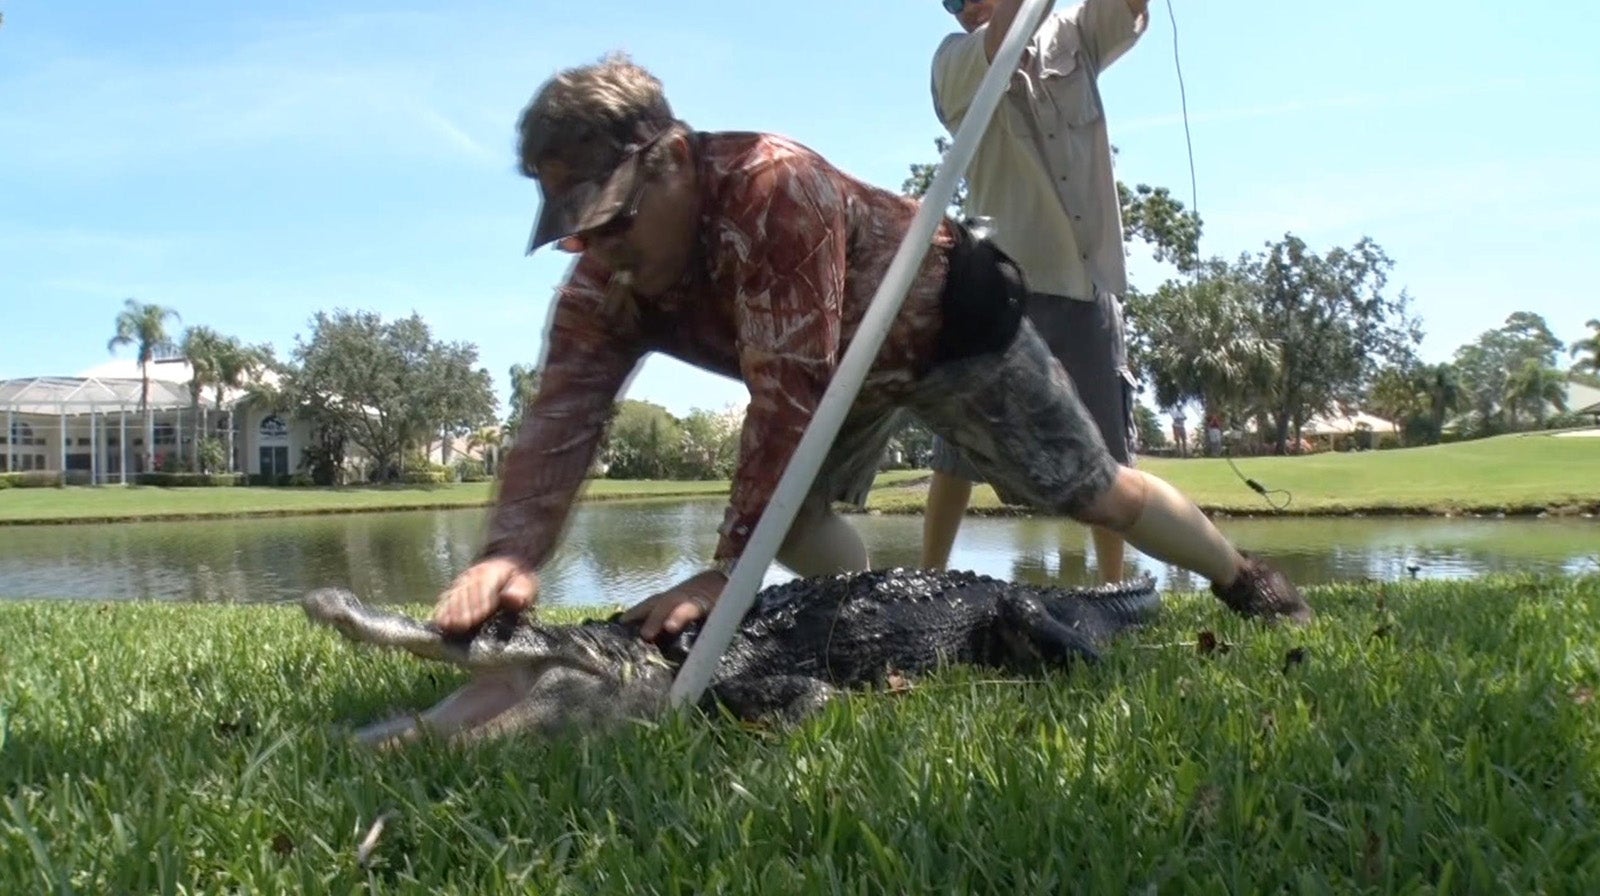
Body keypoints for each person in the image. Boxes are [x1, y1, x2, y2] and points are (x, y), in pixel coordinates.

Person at [429, 52, 1313, 643]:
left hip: (945, 325)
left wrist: (726, 578)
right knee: (802, 519)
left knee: (1098, 492)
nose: (602, 249)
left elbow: (786, 396)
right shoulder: (604, 281)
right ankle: (858, 626)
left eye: (613, 218)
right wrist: (510, 552)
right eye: (577, 232)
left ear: (670, 161)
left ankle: (1247, 581)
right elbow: (560, 418)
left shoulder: (771, 188)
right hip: (834, 368)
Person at [921, 0, 1149, 585]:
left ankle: (1114, 587)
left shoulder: (1071, 30)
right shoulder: (952, 62)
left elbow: (1127, 10)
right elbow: (999, 43)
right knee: (959, 443)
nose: (969, 4)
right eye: (956, 1)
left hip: (1086, 276)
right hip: (1001, 278)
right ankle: (929, 579)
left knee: (1105, 443)